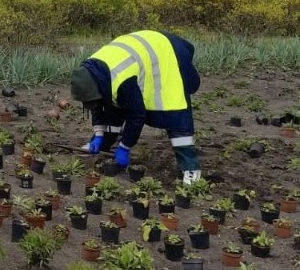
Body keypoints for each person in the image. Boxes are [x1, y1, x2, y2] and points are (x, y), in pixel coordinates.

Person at [69, 29, 202, 183]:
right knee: (114, 107)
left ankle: (190, 168)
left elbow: (136, 116)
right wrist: (98, 135)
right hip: (138, 54)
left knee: (174, 113)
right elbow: (99, 105)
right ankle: (103, 145)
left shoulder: (122, 80)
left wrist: (125, 147)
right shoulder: (91, 73)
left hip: (165, 54)